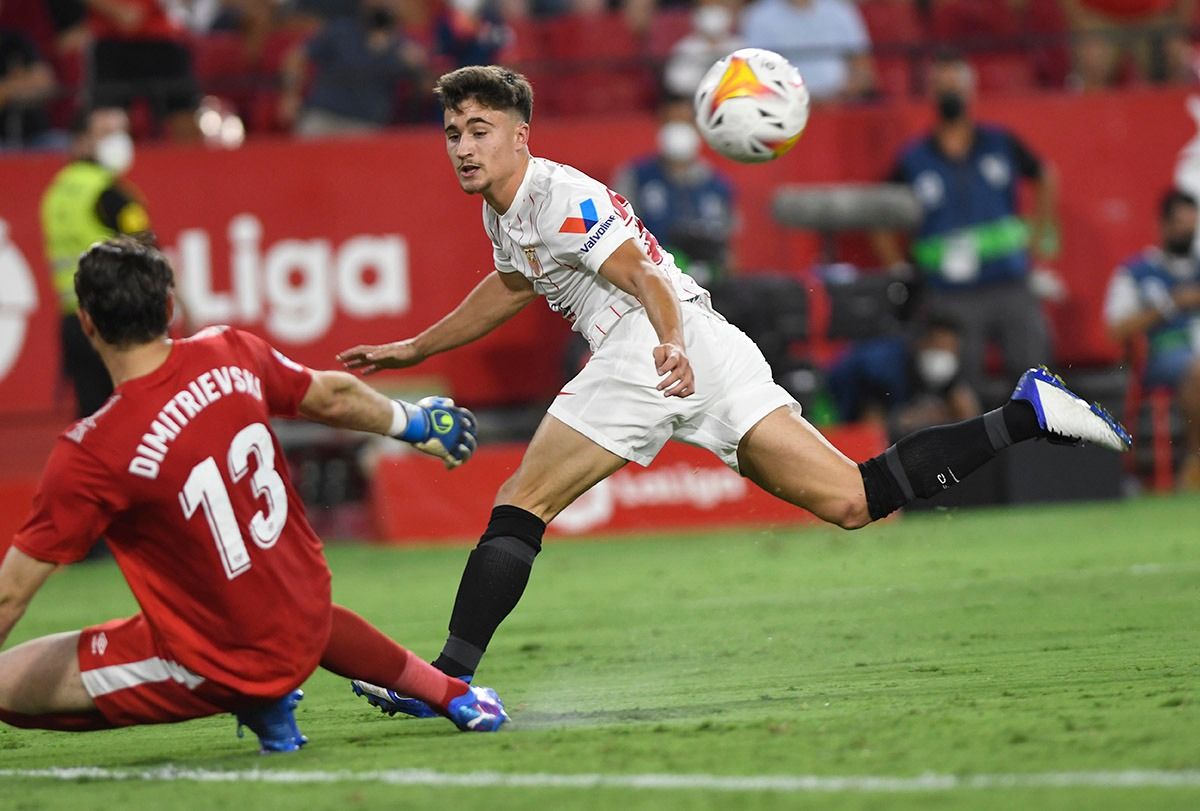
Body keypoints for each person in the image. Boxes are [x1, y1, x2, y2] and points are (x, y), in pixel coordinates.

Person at [337, 65, 1130, 717]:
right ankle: (1025, 411)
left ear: (520, 136)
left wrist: (669, 348)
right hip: (707, 344)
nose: (464, 148)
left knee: (522, 499)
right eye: (452, 134)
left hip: (654, 344)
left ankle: (446, 678)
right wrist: (414, 346)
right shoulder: (506, 213)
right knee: (855, 499)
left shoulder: (557, 195)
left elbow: (643, 274)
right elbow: (511, 285)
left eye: (479, 132)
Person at [0, 236, 507, 748]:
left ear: (86, 323)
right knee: (261, 598)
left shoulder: (93, 450)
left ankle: (255, 694)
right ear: (170, 308)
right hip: (304, 618)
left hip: (218, 657)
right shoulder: (230, 351)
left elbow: (10, 594)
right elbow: (331, 395)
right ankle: (445, 693)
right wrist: (416, 422)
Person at [871, 51, 1063, 400]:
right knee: (959, 385)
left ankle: (1035, 451)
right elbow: (880, 212)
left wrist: (1041, 235)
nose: (949, 95)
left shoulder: (1000, 143)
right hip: (949, 293)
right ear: (931, 94)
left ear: (970, 92)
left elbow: (1044, 175)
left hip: (1008, 283)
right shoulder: (914, 159)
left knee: (1034, 372)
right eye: (941, 88)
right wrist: (896, 266)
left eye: (954, 87)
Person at [41, 107, 149, 418]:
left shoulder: (56, 192)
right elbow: (147, 252)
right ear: (81, 141)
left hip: (73, 321)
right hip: (115, 322)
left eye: (122, 131)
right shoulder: (111, 194)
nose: (119, 141)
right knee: (130, 419)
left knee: (92, 421)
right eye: (107, 133)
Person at [1104, 188, 1200, 490]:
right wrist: (1170, 305)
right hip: (1163, 354)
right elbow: (1116, 328)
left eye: (1191, 224)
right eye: (1180, 224)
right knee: (1197, 371)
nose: (1187, 231)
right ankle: (1195, 462)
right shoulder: (1137, 272)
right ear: (1163, 225)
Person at [611, 97, 736, 286]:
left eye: (684, 122)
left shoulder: (718, 185)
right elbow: (617, 234)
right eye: (671, 122)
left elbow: (729, 249)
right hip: (653, 281)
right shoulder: (635, 177)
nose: (678, 130)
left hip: (711, 287)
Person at [279, 0, 428, 137]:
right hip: (323, 116)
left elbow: (427, 88)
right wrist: (290, 94)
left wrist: (420, 65)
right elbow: (296, 57)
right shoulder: (341, 31)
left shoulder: (403, 46)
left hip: (366, 125)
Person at [81, 0, 202, 140]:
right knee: (107, 120)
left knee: (183, 115)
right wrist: (113, 9)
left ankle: (189, 161)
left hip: (163, 39)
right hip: (111, 41)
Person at [738, 0, 873, 102]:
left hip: (841, 107)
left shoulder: (840, 10)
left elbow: (863, 68)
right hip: (786, 112)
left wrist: (841, 95)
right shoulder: (759, 16)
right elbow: (757, 75)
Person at [0, 3, 61, 151]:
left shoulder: (14, 40)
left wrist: (5, 89)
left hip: (37, 135)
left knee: (63, 144)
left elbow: (45, 82)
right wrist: (22, 82)